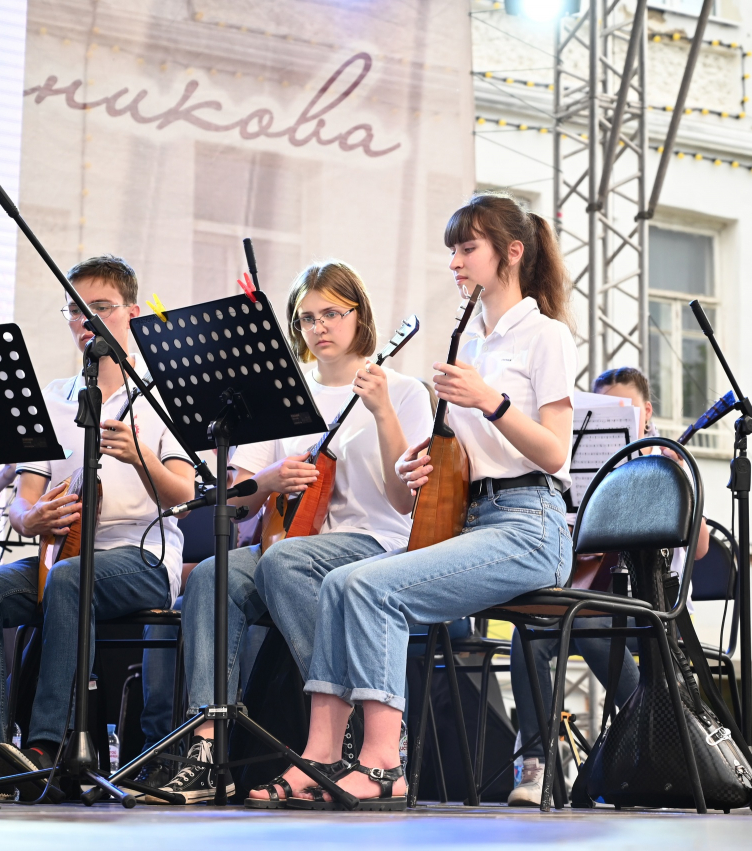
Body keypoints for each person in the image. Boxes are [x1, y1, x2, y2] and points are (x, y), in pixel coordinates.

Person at [244, 192, 576, 810]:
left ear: (512, 252)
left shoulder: (545, 335)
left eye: (467, 248)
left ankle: (382, 763)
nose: (455, 262)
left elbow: (556, 454)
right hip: (474, 519)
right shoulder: (470, 341)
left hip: (531, 526)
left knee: (370, 587)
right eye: (452, 250)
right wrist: (422, 463)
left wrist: (490, 402)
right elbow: (468, 459)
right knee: (342, 583)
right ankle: (321, 755)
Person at [148, 260, 432, 804]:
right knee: (211, 575)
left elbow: (406, 501)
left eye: (332, 313)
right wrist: (272, 478)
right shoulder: (284, 394)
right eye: (306, 318)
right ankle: (208, 742)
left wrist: (382, 413)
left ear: (360, 315)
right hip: (295, 543)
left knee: (285, 560)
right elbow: (240, 499)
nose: (319, 327)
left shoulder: (402, 391)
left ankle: (346, 729)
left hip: (376, 542)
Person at [0, 255, 197, 801]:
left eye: (100, 307)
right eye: (75, 310)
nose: (86, 320)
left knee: (69, 579)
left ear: (132, 313)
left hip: (142, 557)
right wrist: (31, 517)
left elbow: (184, 494)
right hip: (63, 555)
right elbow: (23, 502)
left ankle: (47, 747)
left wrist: (139, 457)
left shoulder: (161, 393)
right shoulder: (54, 397)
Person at [504, 366, 709, 806]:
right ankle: (538, 761)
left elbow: (701, 548)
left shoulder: (668, 461)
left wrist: (672, 484)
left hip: (652, 605)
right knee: (529, 632)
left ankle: (653, 739)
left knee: (587, 624)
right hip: (593, 595)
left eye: (624, 409)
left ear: (646, 412)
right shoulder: (578, 463)